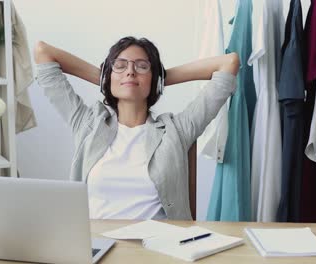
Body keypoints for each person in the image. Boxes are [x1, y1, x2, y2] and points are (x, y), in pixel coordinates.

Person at [34, 36, 239, 220]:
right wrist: (106, 77)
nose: (130, 72)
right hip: (97, 246)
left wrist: (160, 77)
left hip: (156, 249)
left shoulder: (177, 130)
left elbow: (228, 63)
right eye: (120, 66)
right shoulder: (87, 123)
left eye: (142, 66)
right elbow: (43, 52)